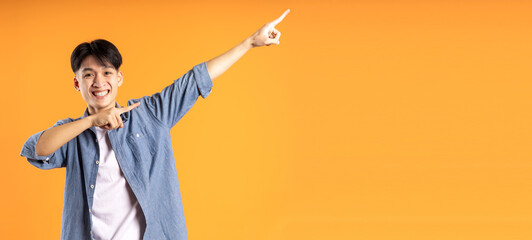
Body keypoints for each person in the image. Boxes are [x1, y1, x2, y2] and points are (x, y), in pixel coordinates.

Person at [20, 9, 290, 240]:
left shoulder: (149, 114)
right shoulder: (73, 132)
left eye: (107, 73)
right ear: (77, 83)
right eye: (89, 75)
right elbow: (37, 149)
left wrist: (249, 43)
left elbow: (194, 80)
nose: (98, 82)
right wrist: (91, 120)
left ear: (119, 79)